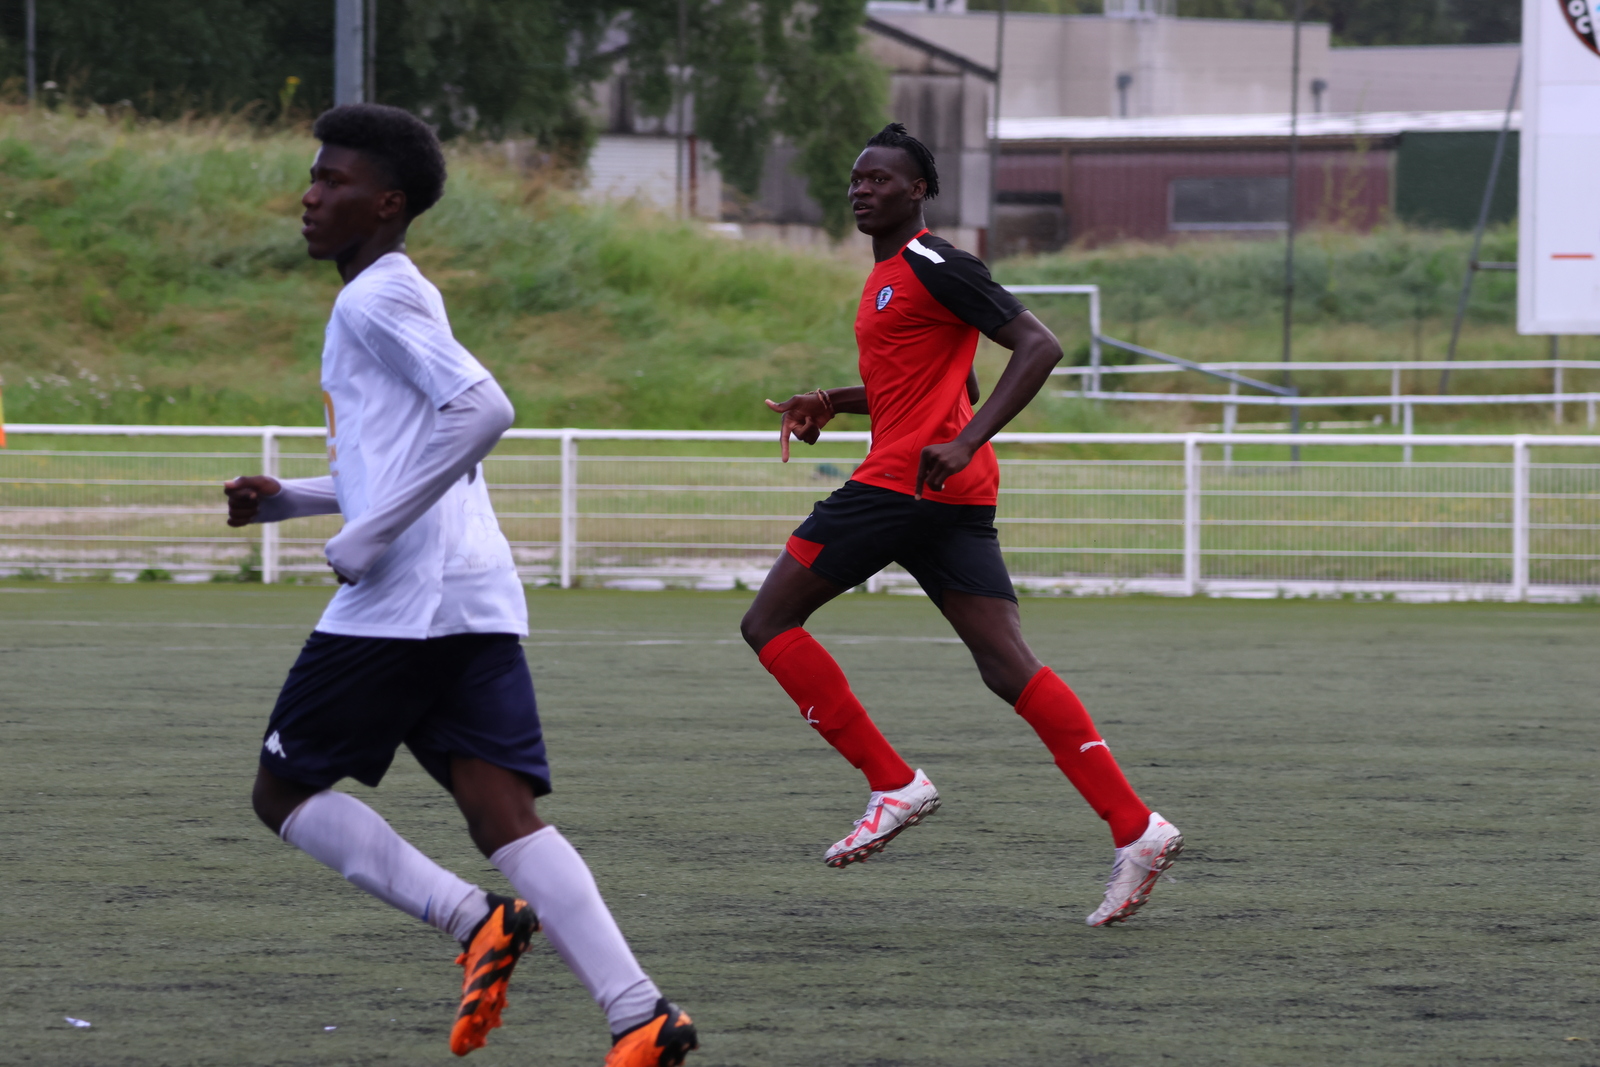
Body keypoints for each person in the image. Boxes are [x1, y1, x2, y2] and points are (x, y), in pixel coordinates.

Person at [223, 104, 696, 1065]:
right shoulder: (400, 291)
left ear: (387, 203)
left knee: (282, 791)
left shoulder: (372, 299)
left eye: (334, 180)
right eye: (313, 176)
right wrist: (292, 502)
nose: (311, 195)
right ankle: (641, 1014)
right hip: (471, 590)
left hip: (404, 600)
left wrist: (368, 536)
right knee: (502, 813)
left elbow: (484, 411)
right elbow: (419, 452)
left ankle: (473, 918)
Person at [740, 123, 1182, 927]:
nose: (862, 188)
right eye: (856, 177)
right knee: (1008, 665)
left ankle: (893, 782)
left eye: (880, 178)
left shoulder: (933, 262)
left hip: (905, 482)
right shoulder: (888, 279)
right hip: (949, 491)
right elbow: (951, 384)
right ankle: (1136, 827)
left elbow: (1038, 345)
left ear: (918, 191)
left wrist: (968, 439)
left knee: (768, 620)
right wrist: (831, 401)